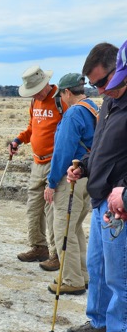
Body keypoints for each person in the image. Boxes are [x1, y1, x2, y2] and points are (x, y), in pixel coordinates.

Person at [66, 41, 127, 332]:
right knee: (99, 268)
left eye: (103, 82)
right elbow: (102, 148)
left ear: (119, 69)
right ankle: (99, 321)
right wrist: (83, 165)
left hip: (121, 208)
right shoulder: (108, 105)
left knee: (120, 278)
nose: (100, 89)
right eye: (94, 85)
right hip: (100, 200)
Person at [44, 74, 99, 295]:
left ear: (67, 92)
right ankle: (83, 275)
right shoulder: (93, 107)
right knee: (75, 230)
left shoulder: (73, 113)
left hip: (72, 179)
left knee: (63, 231)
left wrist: (51, 181)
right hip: (90, 176)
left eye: (62, 95)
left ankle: (71, 279)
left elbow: (63, 151)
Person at [8, 65, 67, 269]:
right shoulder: (35, 102)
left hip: (56, 162)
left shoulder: (62, 100)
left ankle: (56, 254)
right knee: (33, 207)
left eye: (35, 90)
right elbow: (32, 128)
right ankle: (38, 247)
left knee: (53, 210)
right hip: (37, 162)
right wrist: (18, 140)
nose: (33, 95)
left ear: (45, 85)